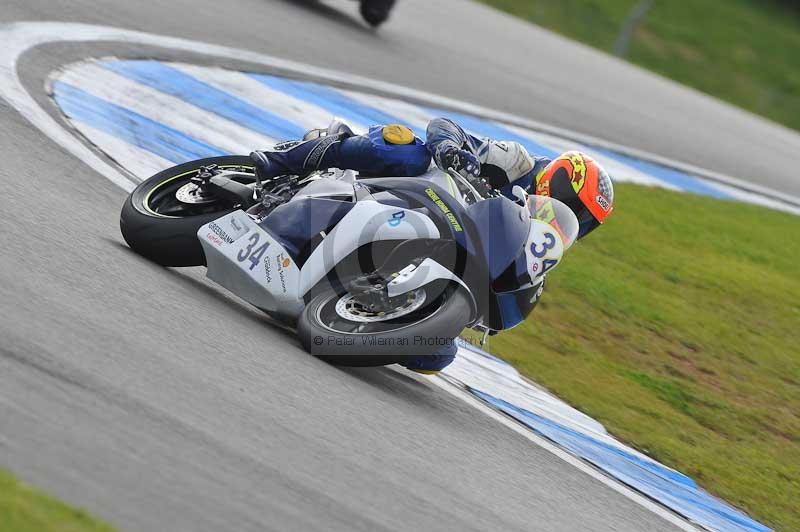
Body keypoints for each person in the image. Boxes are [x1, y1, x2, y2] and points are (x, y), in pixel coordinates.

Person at [250, 118, 615, 373]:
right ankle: (283, 161)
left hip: (438, 246)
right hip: (420, 190)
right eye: (575, 206)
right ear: (558, 180)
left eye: (585, 222)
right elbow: (446, 127)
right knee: (402, 146)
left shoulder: (542, 240)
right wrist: (452, 150)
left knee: (437, 356)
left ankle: (361, 305)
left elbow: (506, 292)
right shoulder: (518, 163)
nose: (576, 220)